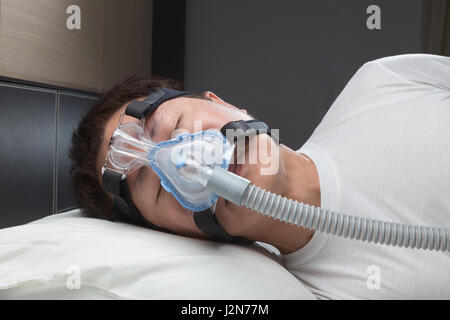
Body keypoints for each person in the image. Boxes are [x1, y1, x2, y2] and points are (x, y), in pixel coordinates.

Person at [70, 54, 450, 299]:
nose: (187, 160)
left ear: (221, 103)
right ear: (185, 237)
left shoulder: (387, 83)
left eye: (178, 126)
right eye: (156, 188)